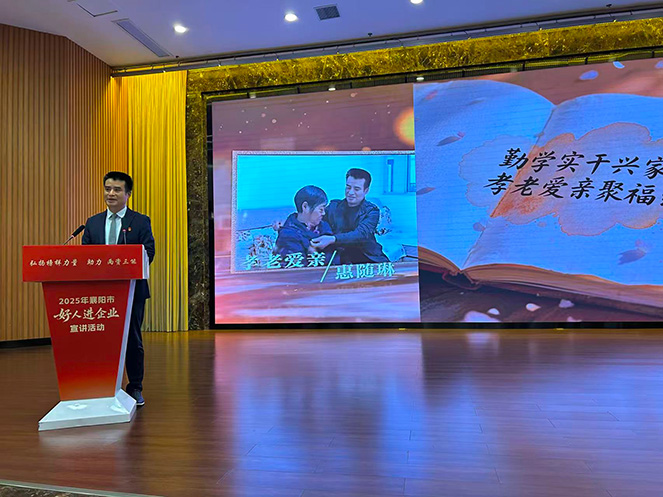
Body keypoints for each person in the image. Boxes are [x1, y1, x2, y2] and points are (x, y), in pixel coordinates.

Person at [82, 171, 155, 407]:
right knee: (101, 338)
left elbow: (149, 252)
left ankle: (135, 387)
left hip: (131, 291)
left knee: (132, 339)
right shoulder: (92, 222)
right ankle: (101, 383)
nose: (111, 194)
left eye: (116, 190)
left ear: (128, 194)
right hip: (100, 292)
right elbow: (84, 256)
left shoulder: (140, 221)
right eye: (107, 189)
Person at [311, 168, 388, 264]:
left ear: (366, 190)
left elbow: (361, 234)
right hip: (339, 257)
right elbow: (317, 223)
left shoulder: (372, 211)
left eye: (356, 189)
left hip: (367, 257)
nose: (350, 192)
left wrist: (332, 239)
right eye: (348, 187)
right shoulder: (333, 207)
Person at [274, 186, 336, 266]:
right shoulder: (288, 235)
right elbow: (297, 268)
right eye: (321, 209)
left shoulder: (324, 226)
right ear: (305, 207)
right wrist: (312, 252)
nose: (323, 213)